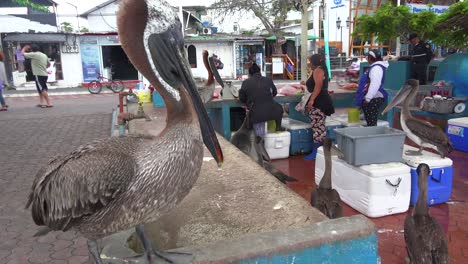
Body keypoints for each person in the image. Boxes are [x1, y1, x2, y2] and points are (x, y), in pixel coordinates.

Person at [300, 54, 335, 160]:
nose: (309, 64)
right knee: (320, 126)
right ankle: (321, 151)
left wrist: (312, 99)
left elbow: (318, 85)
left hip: (319, 102)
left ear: (314, 62)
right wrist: (306, 84)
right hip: (323, 100)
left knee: (318, 127)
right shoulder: (323, 69)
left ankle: (317, 152)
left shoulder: (318, 70)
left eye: (310, 62)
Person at [239, 63, 283, 138]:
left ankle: (259, 140)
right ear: (260, 72)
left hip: (256, 114)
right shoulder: (268, 80)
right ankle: (278, 127)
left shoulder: (246, 82)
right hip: (272, 112)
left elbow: (242, 98)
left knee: (257, 114)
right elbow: (274, 92)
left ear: (249, 74)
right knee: (279, 107)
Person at [355, 49, 389, 126]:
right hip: (372, 98)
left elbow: (375, 84)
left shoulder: (376, 68)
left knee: (371, 122)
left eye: (368, 57)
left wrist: (368, 98)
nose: (367, 58)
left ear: (370, 58)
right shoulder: (375, 67)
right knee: (370, 120)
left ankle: (372, 136)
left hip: (374, 98)